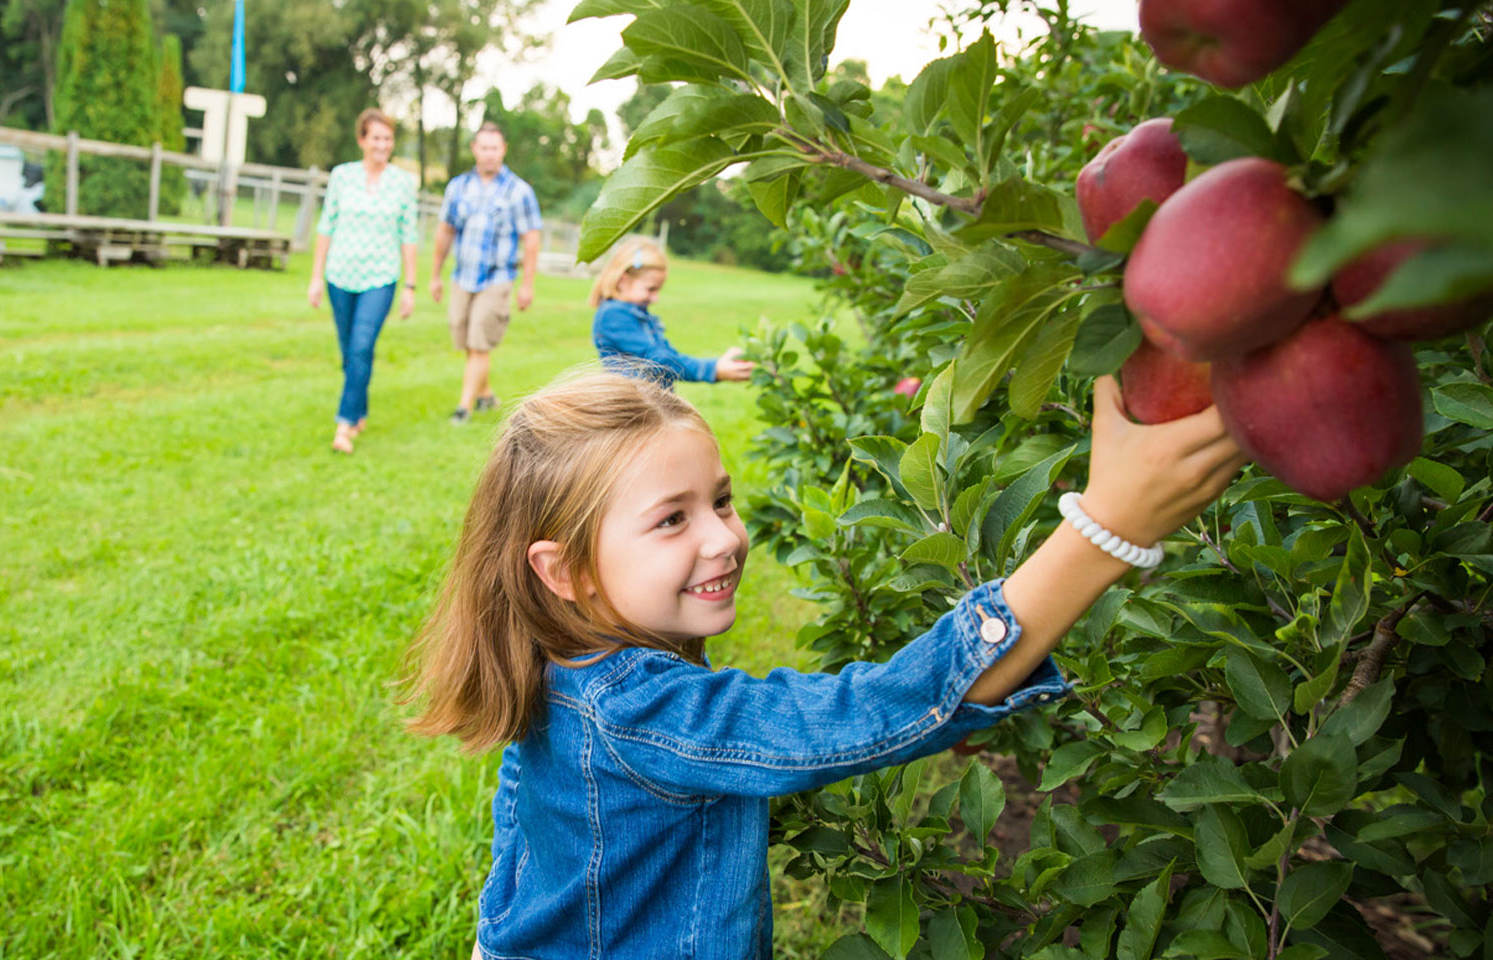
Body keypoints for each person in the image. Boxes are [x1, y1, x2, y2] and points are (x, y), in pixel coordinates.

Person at [403, 371, 1246, 958]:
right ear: (566, 570)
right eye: (672, 520)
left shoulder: (558, 660)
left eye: (721, 500)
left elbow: (522, 845)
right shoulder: (640, 711)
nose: (724, 537)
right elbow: (861, 716)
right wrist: (1101, 528)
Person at [307, 108, 420, 454]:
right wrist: (315, 277)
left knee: (361, 346)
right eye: (376, 138)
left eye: (388, 139)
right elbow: (326, 226)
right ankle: (360, 409)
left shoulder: (403, 183)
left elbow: (409, 234)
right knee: (350, 352)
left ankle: (344, 425)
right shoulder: (342, 176)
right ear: (362, 140)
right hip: (340, 275)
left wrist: (410, 286)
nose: (382, 145)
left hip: (380, 277)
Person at [430, 122, 543, 425]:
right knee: (467, 340)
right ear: (475, 149)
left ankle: (464, 408)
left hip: (497, 278)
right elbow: (445, 231)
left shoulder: (519, 191)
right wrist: (435, 275)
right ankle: (486, 395)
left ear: (503, 150)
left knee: (479, 342)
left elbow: (531, 239)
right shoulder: (458, 187)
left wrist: (527, 285)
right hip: (462, 276)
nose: (489, 154)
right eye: (484, 147)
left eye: (495, 148)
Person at [590, 237, 755, 388]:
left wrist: (720, 364)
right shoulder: (613, 315)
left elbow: (669, 355)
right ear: (622, 281)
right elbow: (658, 360)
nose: (655, 298)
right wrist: (713, 369)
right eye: (651, 289)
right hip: (634, 410)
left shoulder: (638, 314)